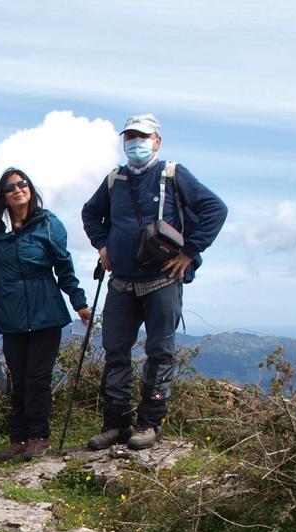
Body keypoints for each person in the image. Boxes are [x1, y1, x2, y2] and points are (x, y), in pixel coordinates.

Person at [81, 114, 228, 450]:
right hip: (121, 282)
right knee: (115, 351)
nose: (135, 143)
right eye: (130, 137)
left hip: (162, 280)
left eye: (142, 137)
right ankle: (116, 424)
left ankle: (149, 424)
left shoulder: (173, 175)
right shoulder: (114, 179)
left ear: (157, 141)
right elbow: (90, 214)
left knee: (159, 353)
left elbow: (215, 210)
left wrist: (189, 252)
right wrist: (102, 245)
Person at [0, 168, 92, 461]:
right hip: (11, 315)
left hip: (46, 312)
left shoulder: (49, 224)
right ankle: (18, 439)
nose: (18, 189)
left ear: (30, 188)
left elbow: (64, 268)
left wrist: (80, 304)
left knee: (38, 377)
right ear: (3, 197)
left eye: (22, 183)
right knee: (19, 379)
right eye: (10, 187)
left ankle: (39, 437)